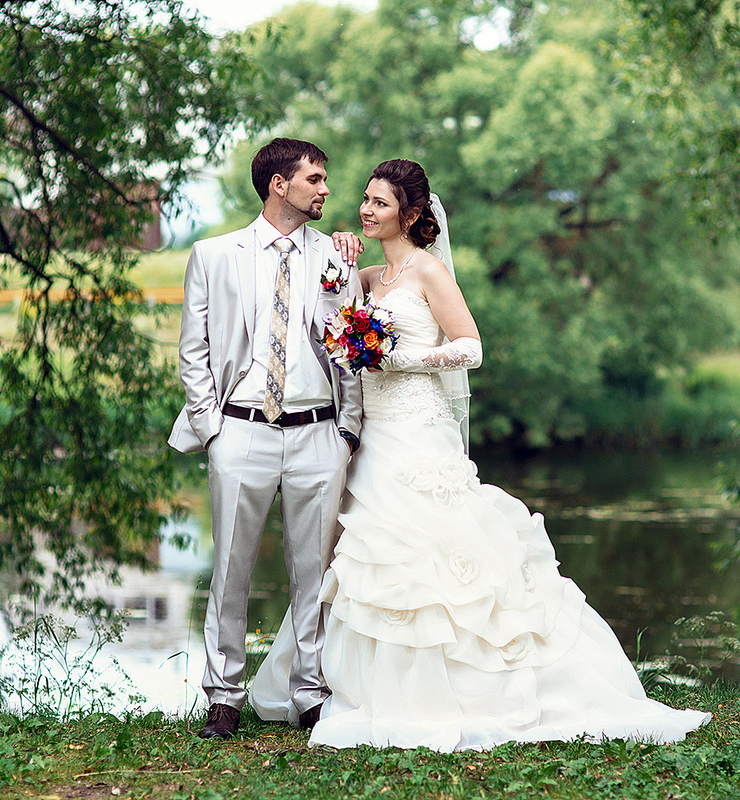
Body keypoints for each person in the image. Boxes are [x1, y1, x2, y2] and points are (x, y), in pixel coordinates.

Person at [249, 159, 711, 751]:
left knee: (435, 553)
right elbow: (333, 301)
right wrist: (341, 264)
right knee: (367, 554)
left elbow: (470, 346)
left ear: (411, 215)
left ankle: (466, 690)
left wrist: (401, 359)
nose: (365, 210)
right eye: (364, 199)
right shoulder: (366, 279)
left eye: (379, 203)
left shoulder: (429, 273)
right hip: (373, 435)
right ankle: (335, 686)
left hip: (419, 429)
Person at [168, 138, 365, 740]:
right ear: (280, 185)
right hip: (241, 430)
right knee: (229, 568)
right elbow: (193, 349)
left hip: (317, 433)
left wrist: (347, 429)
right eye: (315, 179)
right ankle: (223, 696)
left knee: (315, 572)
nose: (326, 190)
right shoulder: (214, 254)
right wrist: (213, 428)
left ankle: (309, 694)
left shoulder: (337, 255)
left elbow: (355, 343)